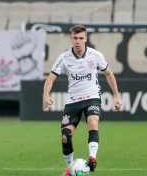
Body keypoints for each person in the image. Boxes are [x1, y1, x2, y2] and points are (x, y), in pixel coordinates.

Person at [43, 24, 122, 176]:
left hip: (92, 97)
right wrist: (46, 95)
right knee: (66, 136)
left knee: (93, 122)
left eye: (81, 38)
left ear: (86, 38)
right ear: (70, 38)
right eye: (75, 38)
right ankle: (69, 167)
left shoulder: (95, 55)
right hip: (73, 101)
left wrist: (116, 96)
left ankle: (92, 157)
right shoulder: (64, 58)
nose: (78, 41)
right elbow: (50, 79)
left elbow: (109, 74)